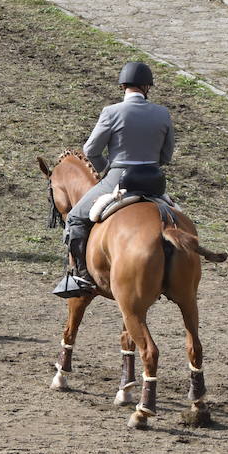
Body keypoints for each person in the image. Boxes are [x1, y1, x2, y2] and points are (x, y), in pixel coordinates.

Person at [55, 61, 174, 297]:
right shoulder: (162, 113)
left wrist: (107, 169)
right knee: (177, 217)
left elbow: (91, 150)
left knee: (76, 219)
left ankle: (81, 277)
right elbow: (167, 155)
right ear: (147, 87)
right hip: (154, 181)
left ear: (123, 85)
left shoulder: (111, 112)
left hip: (119, 179)